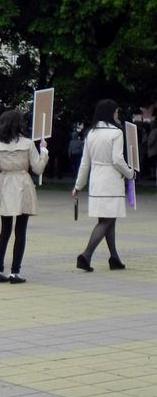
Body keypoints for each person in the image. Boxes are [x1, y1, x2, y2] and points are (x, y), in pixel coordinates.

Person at [0, 108, 49, 283]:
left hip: (5, 182)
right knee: (20, 231)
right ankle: (15, 272)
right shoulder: (28, 144)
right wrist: (44, 151)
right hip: (23, 183)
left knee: (4, 230)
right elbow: (38, 168)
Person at [72, 99, 135, 271]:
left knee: (107, 220)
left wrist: (78, 186)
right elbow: (117, 159)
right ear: (110, 113)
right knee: (107, 220)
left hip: (96, 180)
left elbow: (85, 163)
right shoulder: (116, 132)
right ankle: (86, 255)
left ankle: (114, 258)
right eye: (116, 112)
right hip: (111, 181)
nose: (117, 115)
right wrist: (130, 173)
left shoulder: (91, 133)